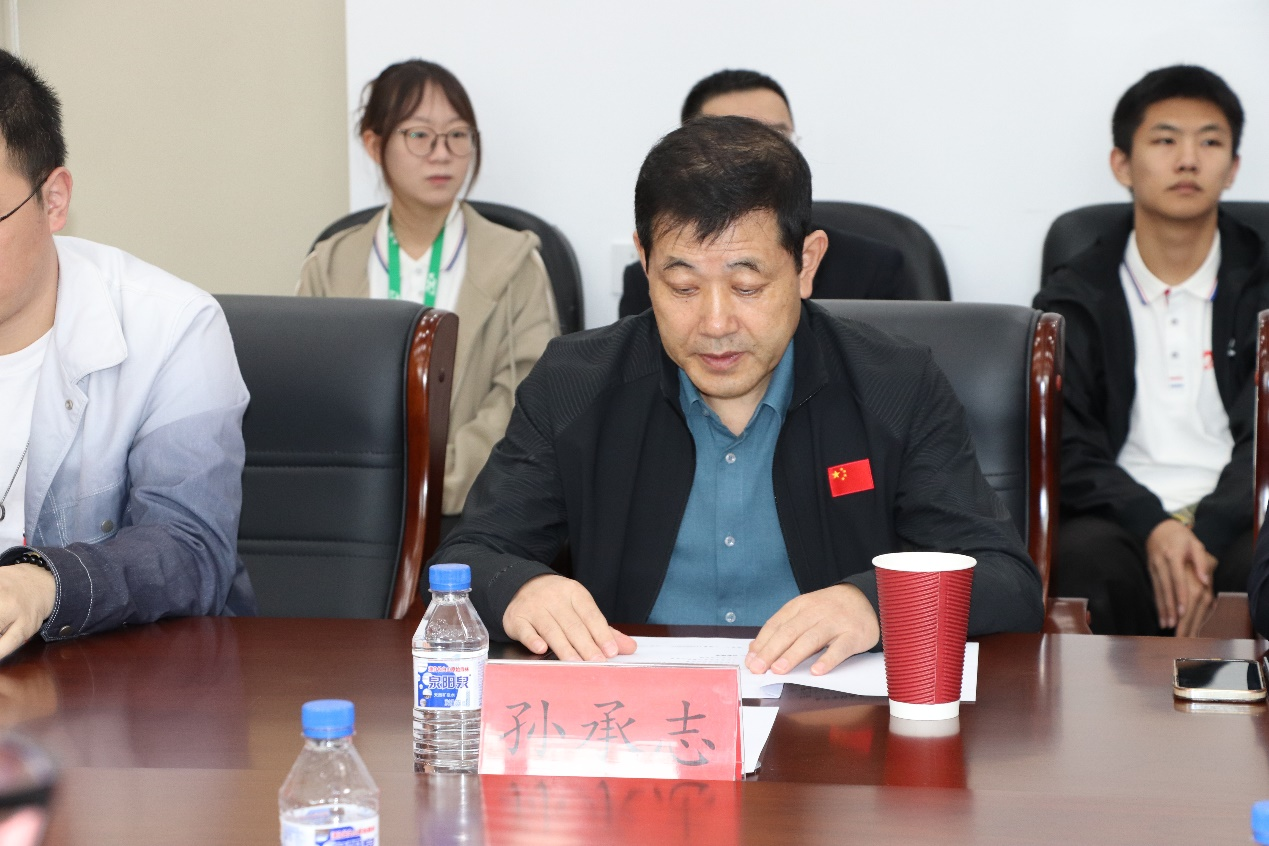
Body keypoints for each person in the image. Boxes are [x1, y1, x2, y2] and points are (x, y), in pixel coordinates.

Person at [434, 116, 1043, 675]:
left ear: (806, 264)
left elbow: (1007, 580)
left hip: (830, 725)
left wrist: (873, 604)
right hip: (641, 724)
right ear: (644, 261)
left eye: (747, 286)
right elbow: (470, 555)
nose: (716, 323)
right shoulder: (575, 383)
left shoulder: (894, 384)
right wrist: (520, 588)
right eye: (682, 287)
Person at [0, 50, 255, 659]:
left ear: (53, 199)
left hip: (120, 682)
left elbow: (189, 548)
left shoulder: (172, 327)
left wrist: (42, 586)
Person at [1035, 65, 1268, 636]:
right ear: (1122, 163)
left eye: (1209, 142)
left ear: (1233, 167)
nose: (1188, 161)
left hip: (1244, 511)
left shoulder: (1263, 286)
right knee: (1088, 565)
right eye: (1165, 141)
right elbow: (1066, 440)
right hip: (1119, 514)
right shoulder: (1075, 295)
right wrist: (1153, 524)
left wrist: (1207, 532)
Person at [299, 60, 559, 520]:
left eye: (457, 135)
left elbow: (525, 399)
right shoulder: (330, 265)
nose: (441, 153)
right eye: (419, 135)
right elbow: (310, 399)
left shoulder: (517, 262)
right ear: (374, 144)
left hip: (479, 513)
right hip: (354, 514)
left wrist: (434, 485)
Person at [618, 69, 918, 319]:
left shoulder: (876, 268)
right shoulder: (648, 276)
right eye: (733, 141)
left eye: (777, 137)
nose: (759, 155)